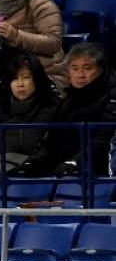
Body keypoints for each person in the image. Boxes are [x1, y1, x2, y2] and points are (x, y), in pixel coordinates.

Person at [0, 53, 59, 176]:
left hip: (37, 171)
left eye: (26, 77)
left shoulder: (52, 107)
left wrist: (29, 165)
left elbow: (52, 149)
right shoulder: (2, 106)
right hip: (1, 168)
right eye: (14, 79)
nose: (20, 84)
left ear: (37, 79)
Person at [48, 42, 116, 177]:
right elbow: (51, 140)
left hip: (98, 171)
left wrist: (76, 162)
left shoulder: (113, 95)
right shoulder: (67, 100)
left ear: (101, 69)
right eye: (75, 68)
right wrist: (32, 163)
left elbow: (105, 139)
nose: (80, 75)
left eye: (87, 68)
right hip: (66, 168)